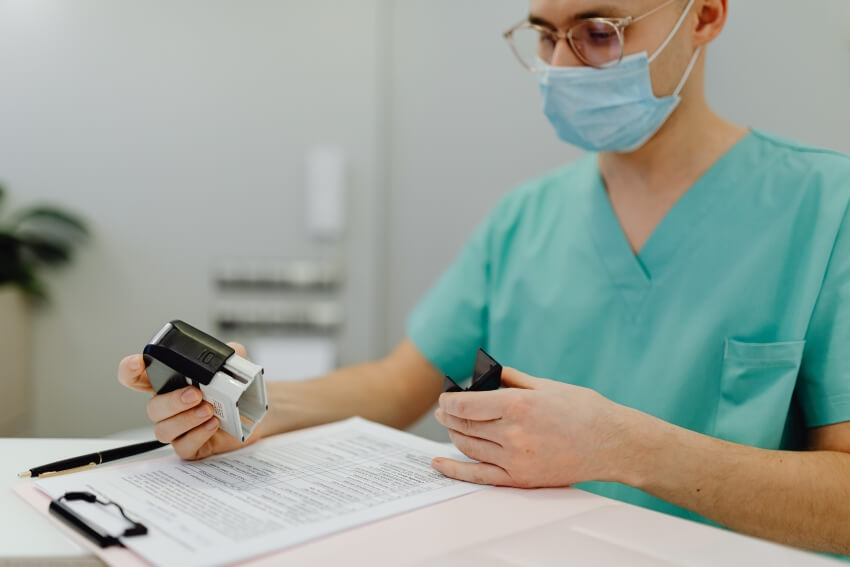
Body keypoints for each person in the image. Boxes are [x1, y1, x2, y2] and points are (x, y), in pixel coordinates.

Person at [118, 0, 850, 556]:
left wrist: (626, 446)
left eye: (599, 33)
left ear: (707, 16)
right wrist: (253, 406)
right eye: (544, 34)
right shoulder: (526, 219)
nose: (562, 67)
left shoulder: (826, 210)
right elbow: (395, 385)